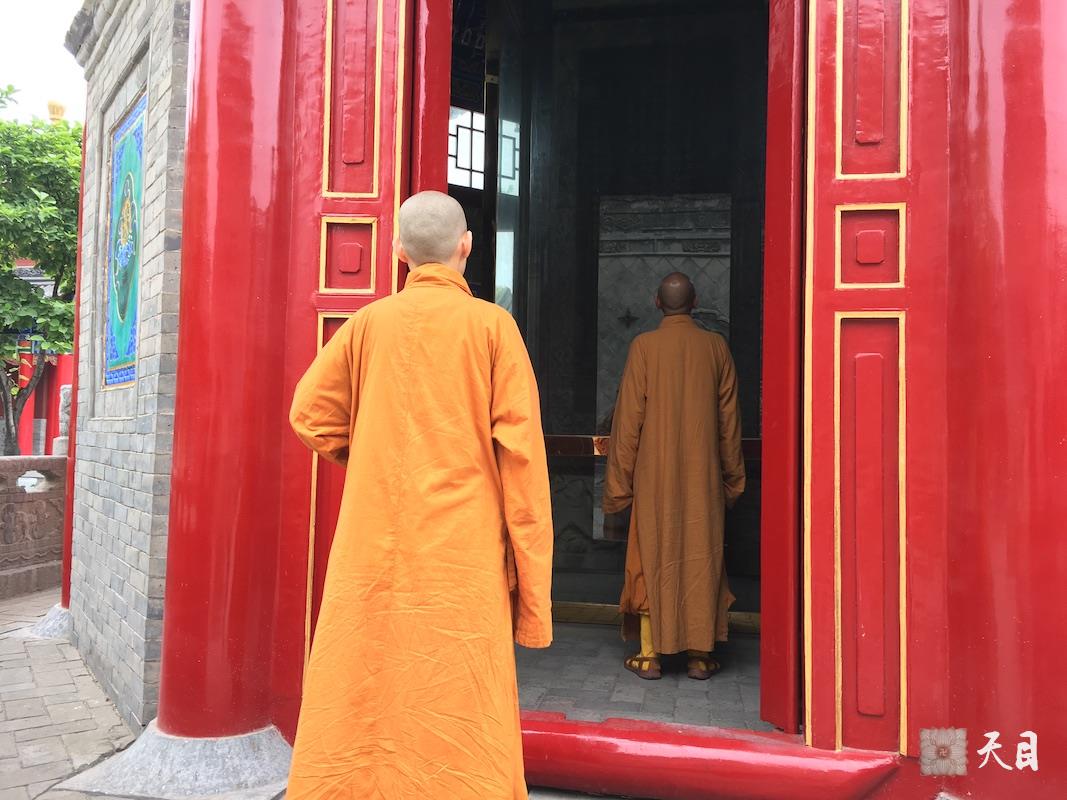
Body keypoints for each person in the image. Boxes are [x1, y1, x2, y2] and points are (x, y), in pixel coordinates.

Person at [287, 191, 554, 799]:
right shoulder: (492, 327)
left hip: (373, 547)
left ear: (398, 251)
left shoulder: (368, 324)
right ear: (467, 246)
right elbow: (523, 464)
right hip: (461, 555)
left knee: (365, 685)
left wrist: (369, 456)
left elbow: (310, 414)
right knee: (458, 696)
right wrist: (533, 600)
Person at [603, 272, 744, 681]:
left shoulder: (644, 347)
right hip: (704, 478)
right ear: (695, 301)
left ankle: (650, 655)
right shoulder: (716, 348)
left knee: (651, 554)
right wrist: (733, 479)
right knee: (703, 555)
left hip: (654, 478)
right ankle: (700, 656)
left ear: (656, 301)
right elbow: (729, 424)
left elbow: (628, 421)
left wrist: (619, 485)